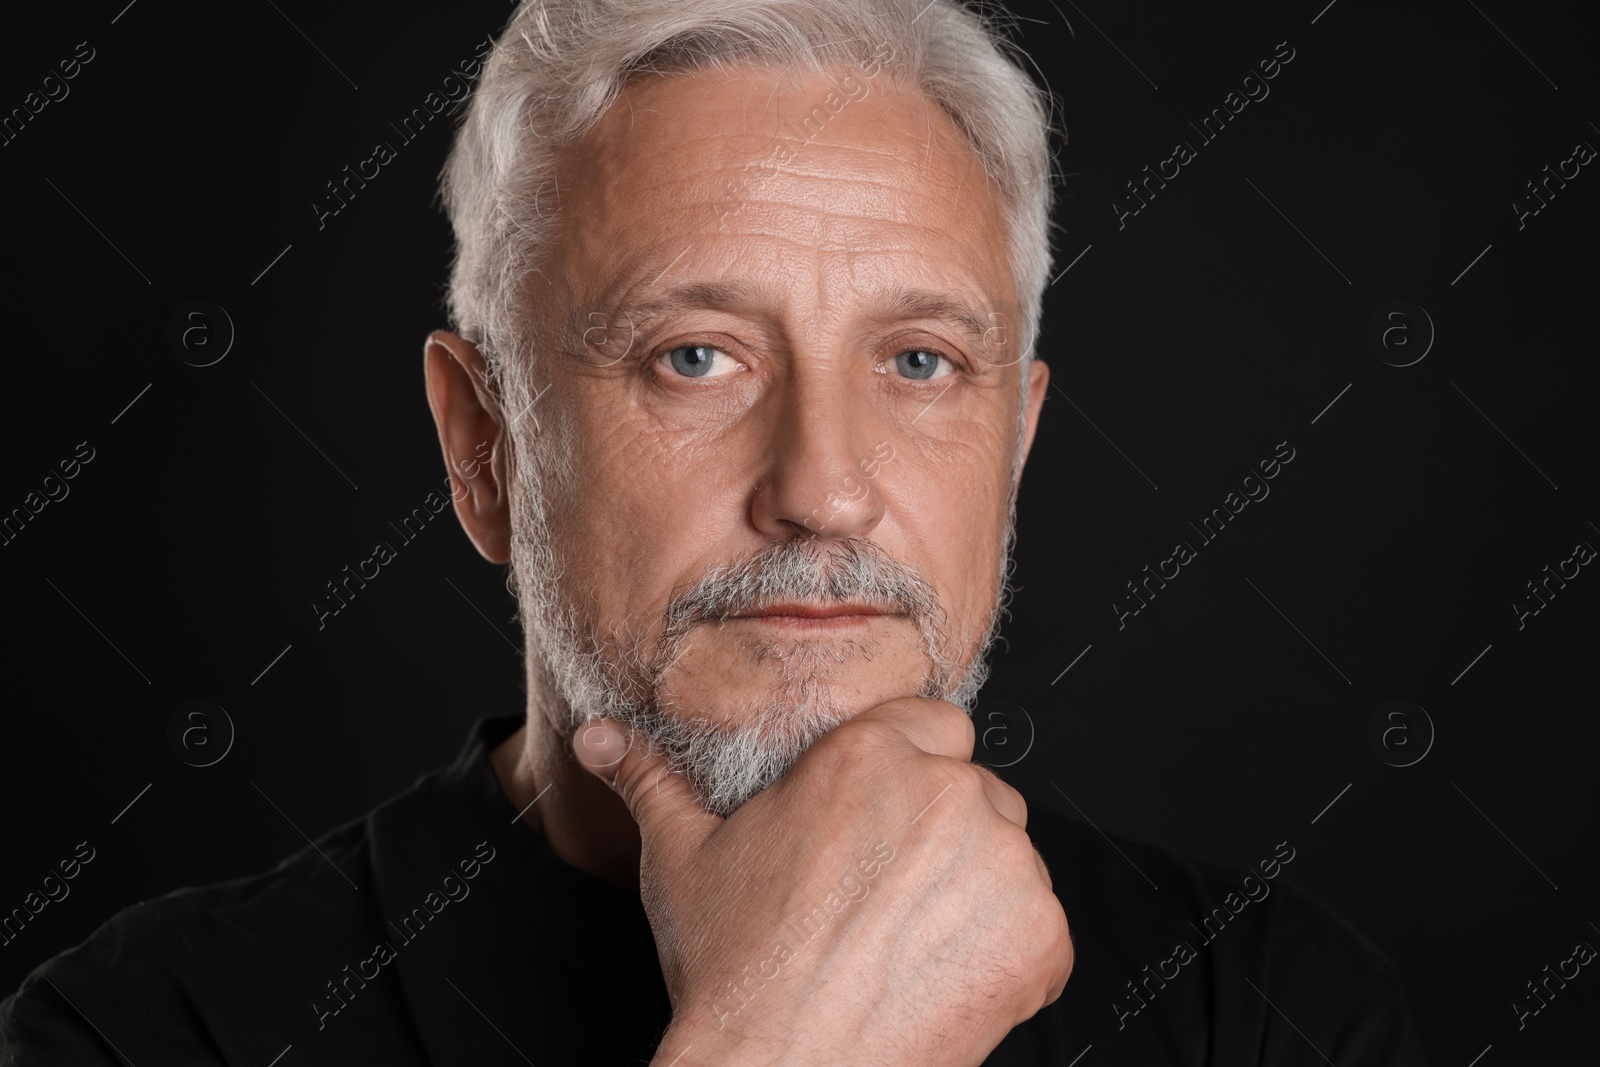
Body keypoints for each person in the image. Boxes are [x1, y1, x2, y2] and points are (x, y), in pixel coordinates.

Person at [0, 0, 1429, 1063]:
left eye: (920, 362)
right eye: (696, 355)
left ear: (1018, 444)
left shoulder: (1274, 1015)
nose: (824, 487)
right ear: (481, 448)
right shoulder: (148, 1034)